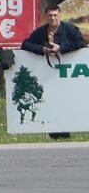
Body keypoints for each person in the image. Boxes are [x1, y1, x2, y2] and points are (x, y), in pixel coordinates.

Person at [19, 9, 81, 139]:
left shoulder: (70, 29)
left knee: (66, 100)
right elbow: (25, 44)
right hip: (48, 73)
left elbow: (81, 43)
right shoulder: (41, 31)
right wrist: (42, 49)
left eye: (55, 15)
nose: (52, 18)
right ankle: (53, 131)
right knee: (51, 100)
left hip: (67, 72)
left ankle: (66, 130)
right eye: (50, 15)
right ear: (46, 17)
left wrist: (61, 48)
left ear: (60, 15)